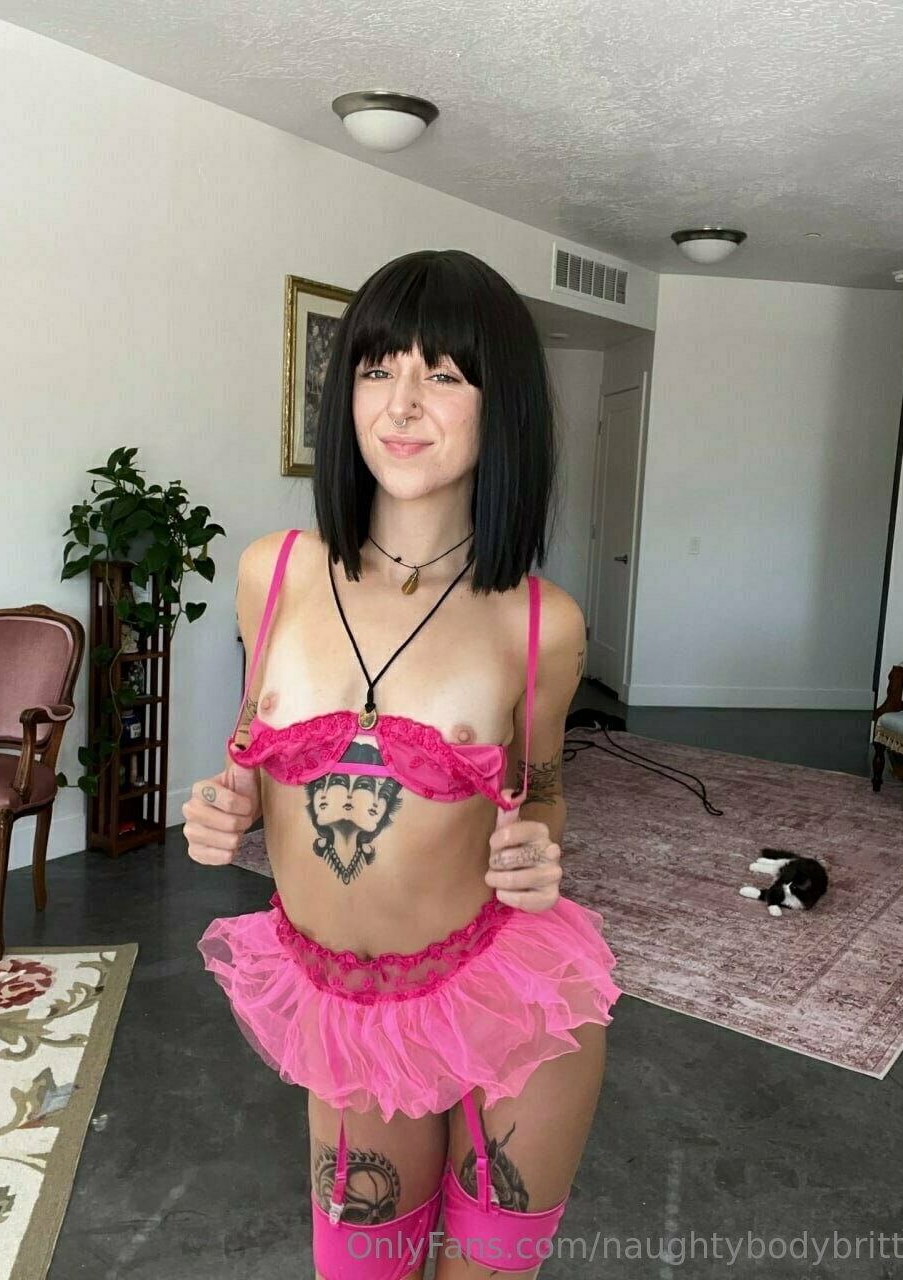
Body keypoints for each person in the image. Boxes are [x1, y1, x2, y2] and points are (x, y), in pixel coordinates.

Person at [183, 248, 623, 1280]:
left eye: (446, 374)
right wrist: (227, 801)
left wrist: (537, 847)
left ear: (501, 407)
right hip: (344, 1011)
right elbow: (249, 746)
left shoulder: (540, 623)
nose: (403, 403)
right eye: (378, 368)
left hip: (510, 997)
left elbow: (543, 789)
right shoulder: (273, 574)